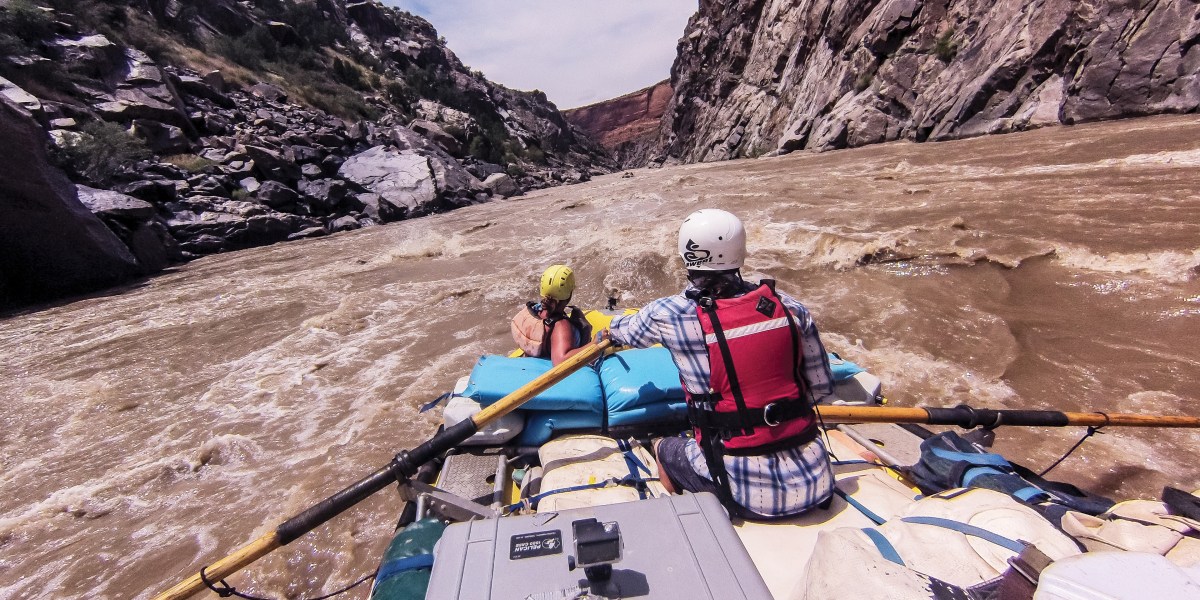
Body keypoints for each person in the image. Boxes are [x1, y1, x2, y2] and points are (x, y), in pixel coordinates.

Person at [601, 209, 835, 520]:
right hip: (817, 482)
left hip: (741, 494)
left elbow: (628, 331)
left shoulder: (667, 313)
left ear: (688, 255)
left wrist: (607, 330)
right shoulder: (790, 307)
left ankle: (687, 513)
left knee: (666, 447)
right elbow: (820, 388)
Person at [511, 264, 592, 365]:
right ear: (569, 294)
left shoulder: (537, 311)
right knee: (585, 327)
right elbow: (560, 361)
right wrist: (596, 342)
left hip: (534, 355)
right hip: (553, 358)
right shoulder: (561, 325)